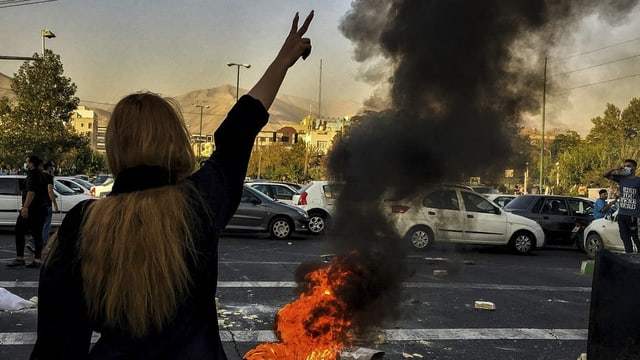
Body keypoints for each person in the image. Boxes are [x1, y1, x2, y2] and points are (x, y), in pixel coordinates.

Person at [30, 11, 313, 359]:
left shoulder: (81, 224)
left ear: (115, 148)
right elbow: (238, 131)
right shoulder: (199, 203)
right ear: (176, 140)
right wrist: (283, 61)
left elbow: (56, 345)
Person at [6, 155, 48, 268]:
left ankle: (20, 258)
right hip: (40, 209)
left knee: (19, 231)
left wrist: (25, 207)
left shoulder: (32, 175)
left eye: (27, 162)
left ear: (31, 163)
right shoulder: (41, 175)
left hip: (32, 209)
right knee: (37, 234)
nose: (25, 164)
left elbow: (31, 192)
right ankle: (37, 260)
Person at [604, 159, 640, 253]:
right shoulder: (621, 178)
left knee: (635, 237)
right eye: (625, 166)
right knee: (625, 237)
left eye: (628, 166)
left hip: (633, 215)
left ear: (634, 168)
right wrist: (614, 168)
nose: (626, 168)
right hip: (622, 214)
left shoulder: (638, 180)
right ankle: (629, 256)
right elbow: (605, 175)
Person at [40, 162, 59, 246]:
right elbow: (50, 191)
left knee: (40, 224)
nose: (52, 169)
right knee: (46, 225)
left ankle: (36, 241)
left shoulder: (39, 176)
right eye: (51, 168)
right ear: (49, 168)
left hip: (38, 204)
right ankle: (43, 243)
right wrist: (55, 205)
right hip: (46, 204)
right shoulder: (49, 177)